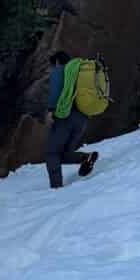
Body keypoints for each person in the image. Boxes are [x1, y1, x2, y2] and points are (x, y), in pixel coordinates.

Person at [44, 48, 103, 190]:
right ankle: (86, 158)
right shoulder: (78, 72)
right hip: (82, 118)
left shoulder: (60, 71)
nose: (51, 68)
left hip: (65, 116)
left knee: (52, 153)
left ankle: (56, 188)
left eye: (52, 65)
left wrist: (51, 111)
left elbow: (56, 92)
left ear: (57, 62)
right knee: (63, 154)